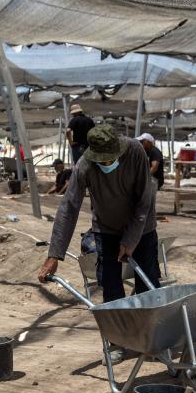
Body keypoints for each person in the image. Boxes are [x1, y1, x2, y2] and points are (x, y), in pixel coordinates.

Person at [38, 124, 159, 362]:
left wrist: (131, 239)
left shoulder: (135, 152)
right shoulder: (85, 165)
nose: (106, 165)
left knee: (148, 283)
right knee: (111, 285)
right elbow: (68, 207)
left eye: (110, 160)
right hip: (106, 229)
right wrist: (54, 255)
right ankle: (117, 342)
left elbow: (145, 201)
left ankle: (149, 338)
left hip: (142, 228)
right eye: (101, 162)